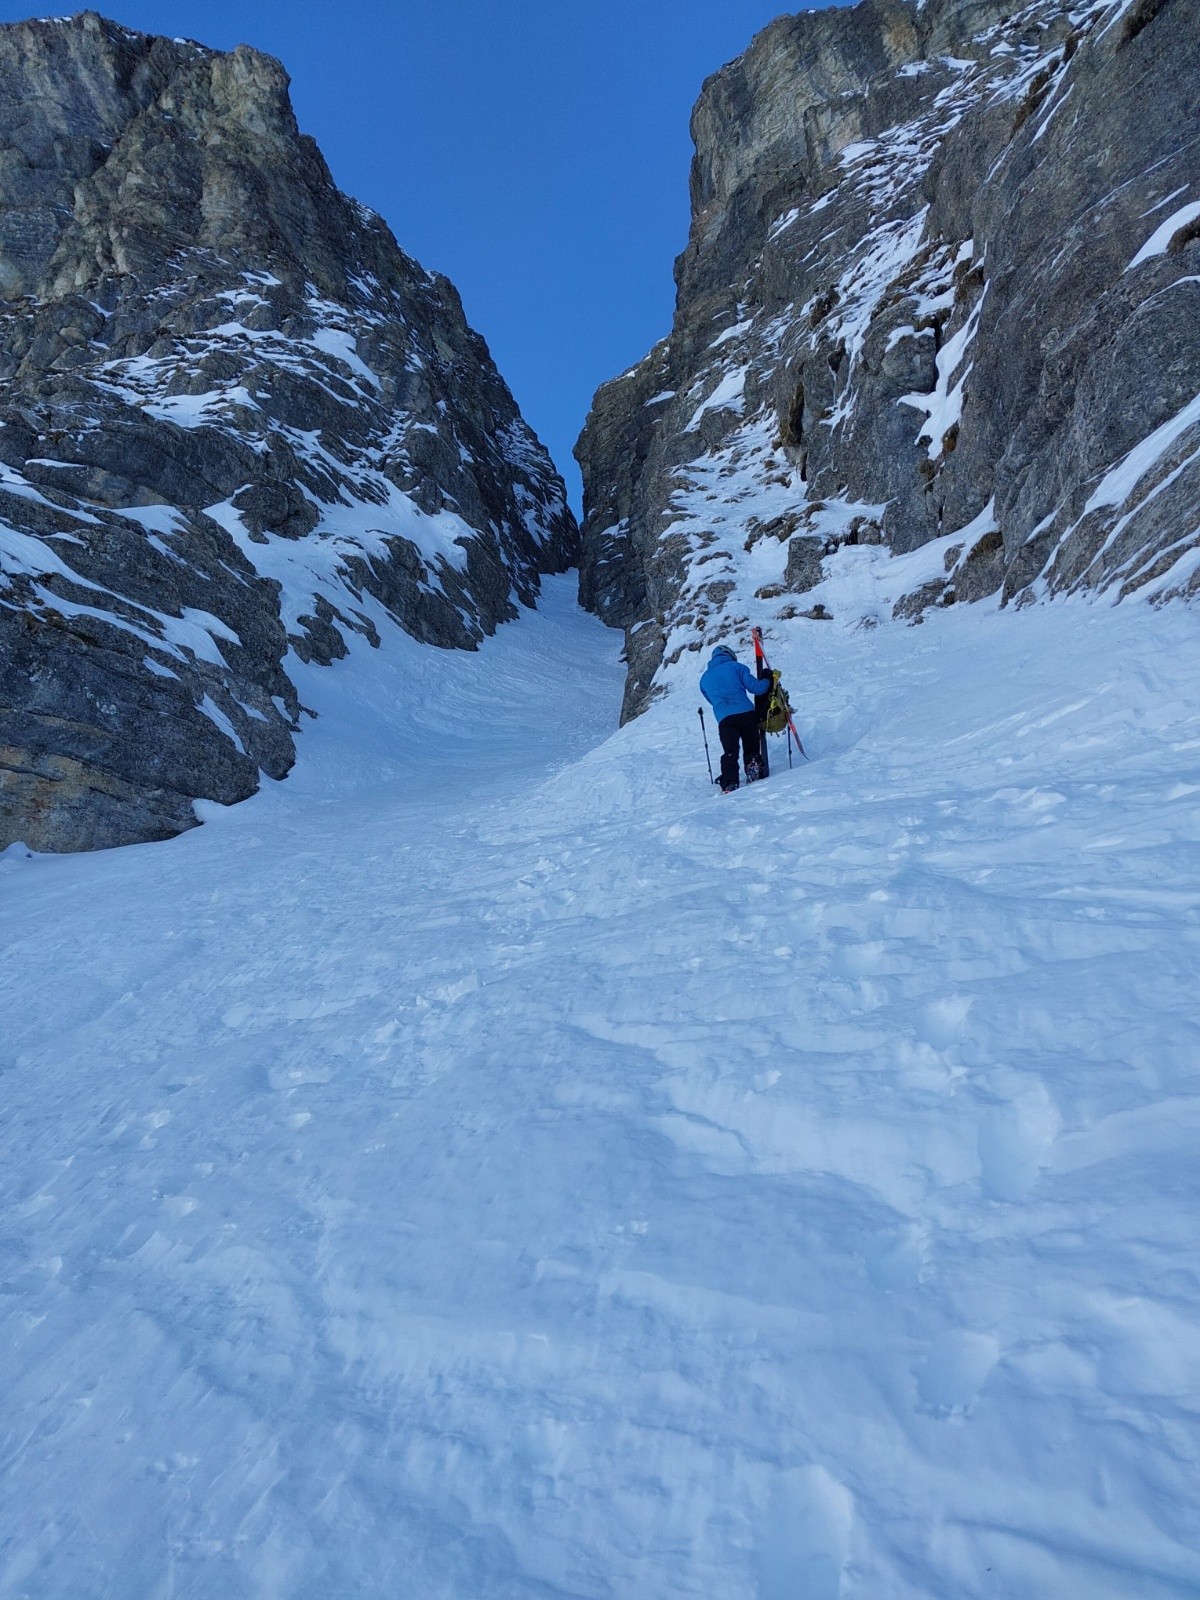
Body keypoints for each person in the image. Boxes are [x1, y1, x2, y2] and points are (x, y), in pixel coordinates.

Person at [699, 644, 772, 792]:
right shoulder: (737, 667)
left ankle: (729, 781)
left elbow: (711, 700)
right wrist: (768, 679)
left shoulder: (704, 679)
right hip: (747, 714)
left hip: (725, 719)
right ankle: (753, 766)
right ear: (729, 655)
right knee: (751, 747)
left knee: (730, 751)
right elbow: (757, 688)